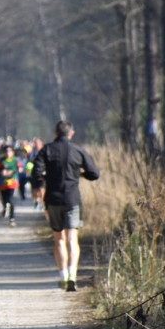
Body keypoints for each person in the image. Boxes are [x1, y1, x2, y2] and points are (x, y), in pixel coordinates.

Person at [32, 120, 100, 291]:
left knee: (58, 239)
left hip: (53, 199)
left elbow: (36, 173)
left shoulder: (46, 149)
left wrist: (48, 177)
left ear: (55, 133)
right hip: (72, 199)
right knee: (72, 238)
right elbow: (94, 173)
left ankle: (62, 277)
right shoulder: (78, 150)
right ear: (71, 134)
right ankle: (73, 274)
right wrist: (79, 174)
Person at [0, 143, 20, 226]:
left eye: (10, 151)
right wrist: (1, 171)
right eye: (6, 151)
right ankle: (5, 208)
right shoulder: (1, 161)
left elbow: (20, 168)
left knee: (11, 200)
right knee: (5, 199)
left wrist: (12, 172)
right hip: (2, 183)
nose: (8, 153)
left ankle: (12, 218)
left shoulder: (15, 160)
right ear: (4, 152)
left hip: (12, 182)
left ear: (13, 152)